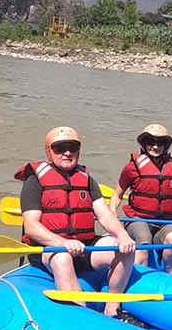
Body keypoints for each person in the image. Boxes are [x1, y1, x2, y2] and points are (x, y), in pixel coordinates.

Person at [15, 126, 137, 319]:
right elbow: (31, 227)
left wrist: (122, 235)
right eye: (60, 148)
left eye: (73, 148)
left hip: (84, 247)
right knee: (63, 258)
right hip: (50, 248)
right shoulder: (34, 181)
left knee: (126, 249)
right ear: (49, 151)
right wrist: (62, 243)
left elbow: (104, 214)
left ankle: (112, 309)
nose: (68, 153)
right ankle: (81, 318)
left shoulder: (87, 180)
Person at [112, 124, 172, 275]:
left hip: (165, 221)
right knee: (144, 239)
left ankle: (169, 278)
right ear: (143, 144)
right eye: (151, 142)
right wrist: (113, 217)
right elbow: (117, 195)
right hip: (138, 218)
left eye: (160, 143)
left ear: (166, 146)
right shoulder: (131, 168)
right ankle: (142, 281)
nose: (155, 146)